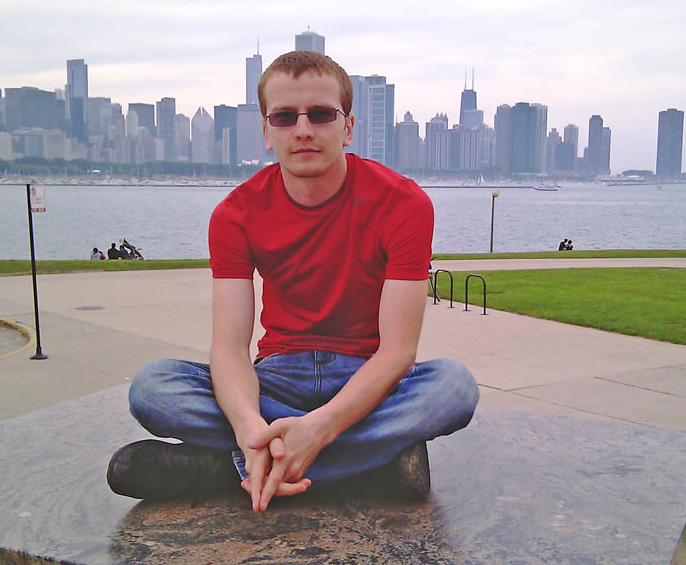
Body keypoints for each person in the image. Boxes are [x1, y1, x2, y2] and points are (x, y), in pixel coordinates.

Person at [107, 51, 479, 512]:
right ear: (266, 132)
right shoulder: (235, 214)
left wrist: (319, 427)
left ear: (348, 127)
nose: (303, 130)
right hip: (277, 377)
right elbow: (229, 349)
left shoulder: (403, 203)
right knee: (152, 387)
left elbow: (398, 351)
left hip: (365, 379)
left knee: (455, 387)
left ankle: (229, 468)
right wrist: (248, 426)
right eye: (284, 117)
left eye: (321, 114)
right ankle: (373, 461)